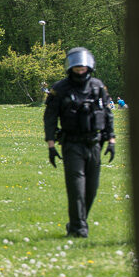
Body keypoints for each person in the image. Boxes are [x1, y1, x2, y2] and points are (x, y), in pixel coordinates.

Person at [43, 47, 116, 238]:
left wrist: (112, 140)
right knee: (76, 189)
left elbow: (108, 115)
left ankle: (77, 222)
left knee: (91, 189)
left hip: (94, 143)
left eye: (83, 68)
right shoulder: (60, 89)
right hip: (71, 144)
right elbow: (50, 118)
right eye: (77, 68)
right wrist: (51, 145)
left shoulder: (98, 87)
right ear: (70, 68)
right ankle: (78, 229)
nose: (80, 71)